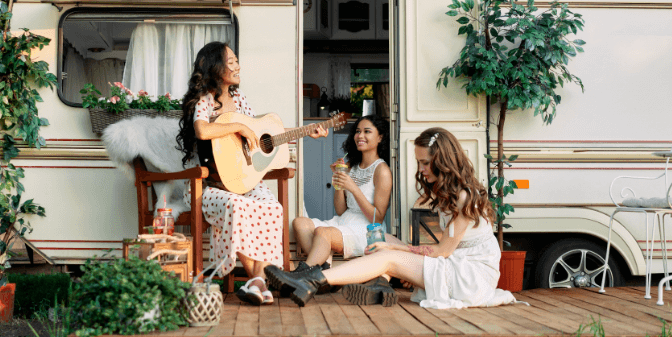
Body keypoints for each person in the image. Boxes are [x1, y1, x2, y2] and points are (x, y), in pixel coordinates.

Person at [265, 127, 518, 309]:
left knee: (387, 255)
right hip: (457, 263)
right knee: (386, 239)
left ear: (444, 161)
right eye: (419, 162)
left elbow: (442, 251)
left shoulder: (464, 197)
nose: (421, 170)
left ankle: (313, 278)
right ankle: (377, 285)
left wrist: (396, 250)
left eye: (426, 163)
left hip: (470, 276)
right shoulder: (450, 193)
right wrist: (394, 245)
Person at [176, 41, 327, 306]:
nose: (237, 66)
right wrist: (237, 126)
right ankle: (260, 280)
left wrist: (304, 132)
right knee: (239, 206)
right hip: (209, 187)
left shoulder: (240, 98)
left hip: (241, 182)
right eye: (231, 61)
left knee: (272, 207)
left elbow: (258, 135)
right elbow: (202, 131)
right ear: (215, 66)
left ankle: (258, 282)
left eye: (236, 60)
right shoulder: (205, 101)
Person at [291, 115, 392, 274]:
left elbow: (376, 218)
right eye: (358, 131)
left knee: (323, 232)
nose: (360, 136)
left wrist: (352, 187)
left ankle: (303, 273)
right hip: (344, 221)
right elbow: (340, 211)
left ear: (380, 137)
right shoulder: (351, 165)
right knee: (300, 223)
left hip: (365, 230)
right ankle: (323, 271)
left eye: (367, 131)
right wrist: (338, 180)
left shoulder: (382, 170)